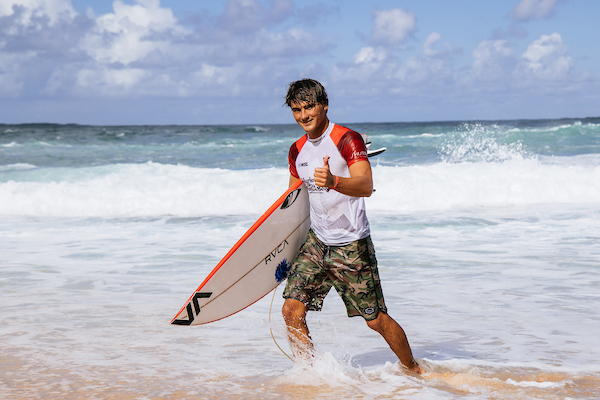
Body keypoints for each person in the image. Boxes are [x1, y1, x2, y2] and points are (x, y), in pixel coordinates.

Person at [281, 78, 423, 374]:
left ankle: (414, 369)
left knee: (375, 320)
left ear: (324, 105)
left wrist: (334, 181)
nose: (303, 116)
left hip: (351, 245)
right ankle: (309, 376)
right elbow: (292, 199)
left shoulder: (348, 139)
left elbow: (366, 185)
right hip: (317, 242)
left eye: (309, 107)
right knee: (291, 309)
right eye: (296, 109)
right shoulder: (297, 150)